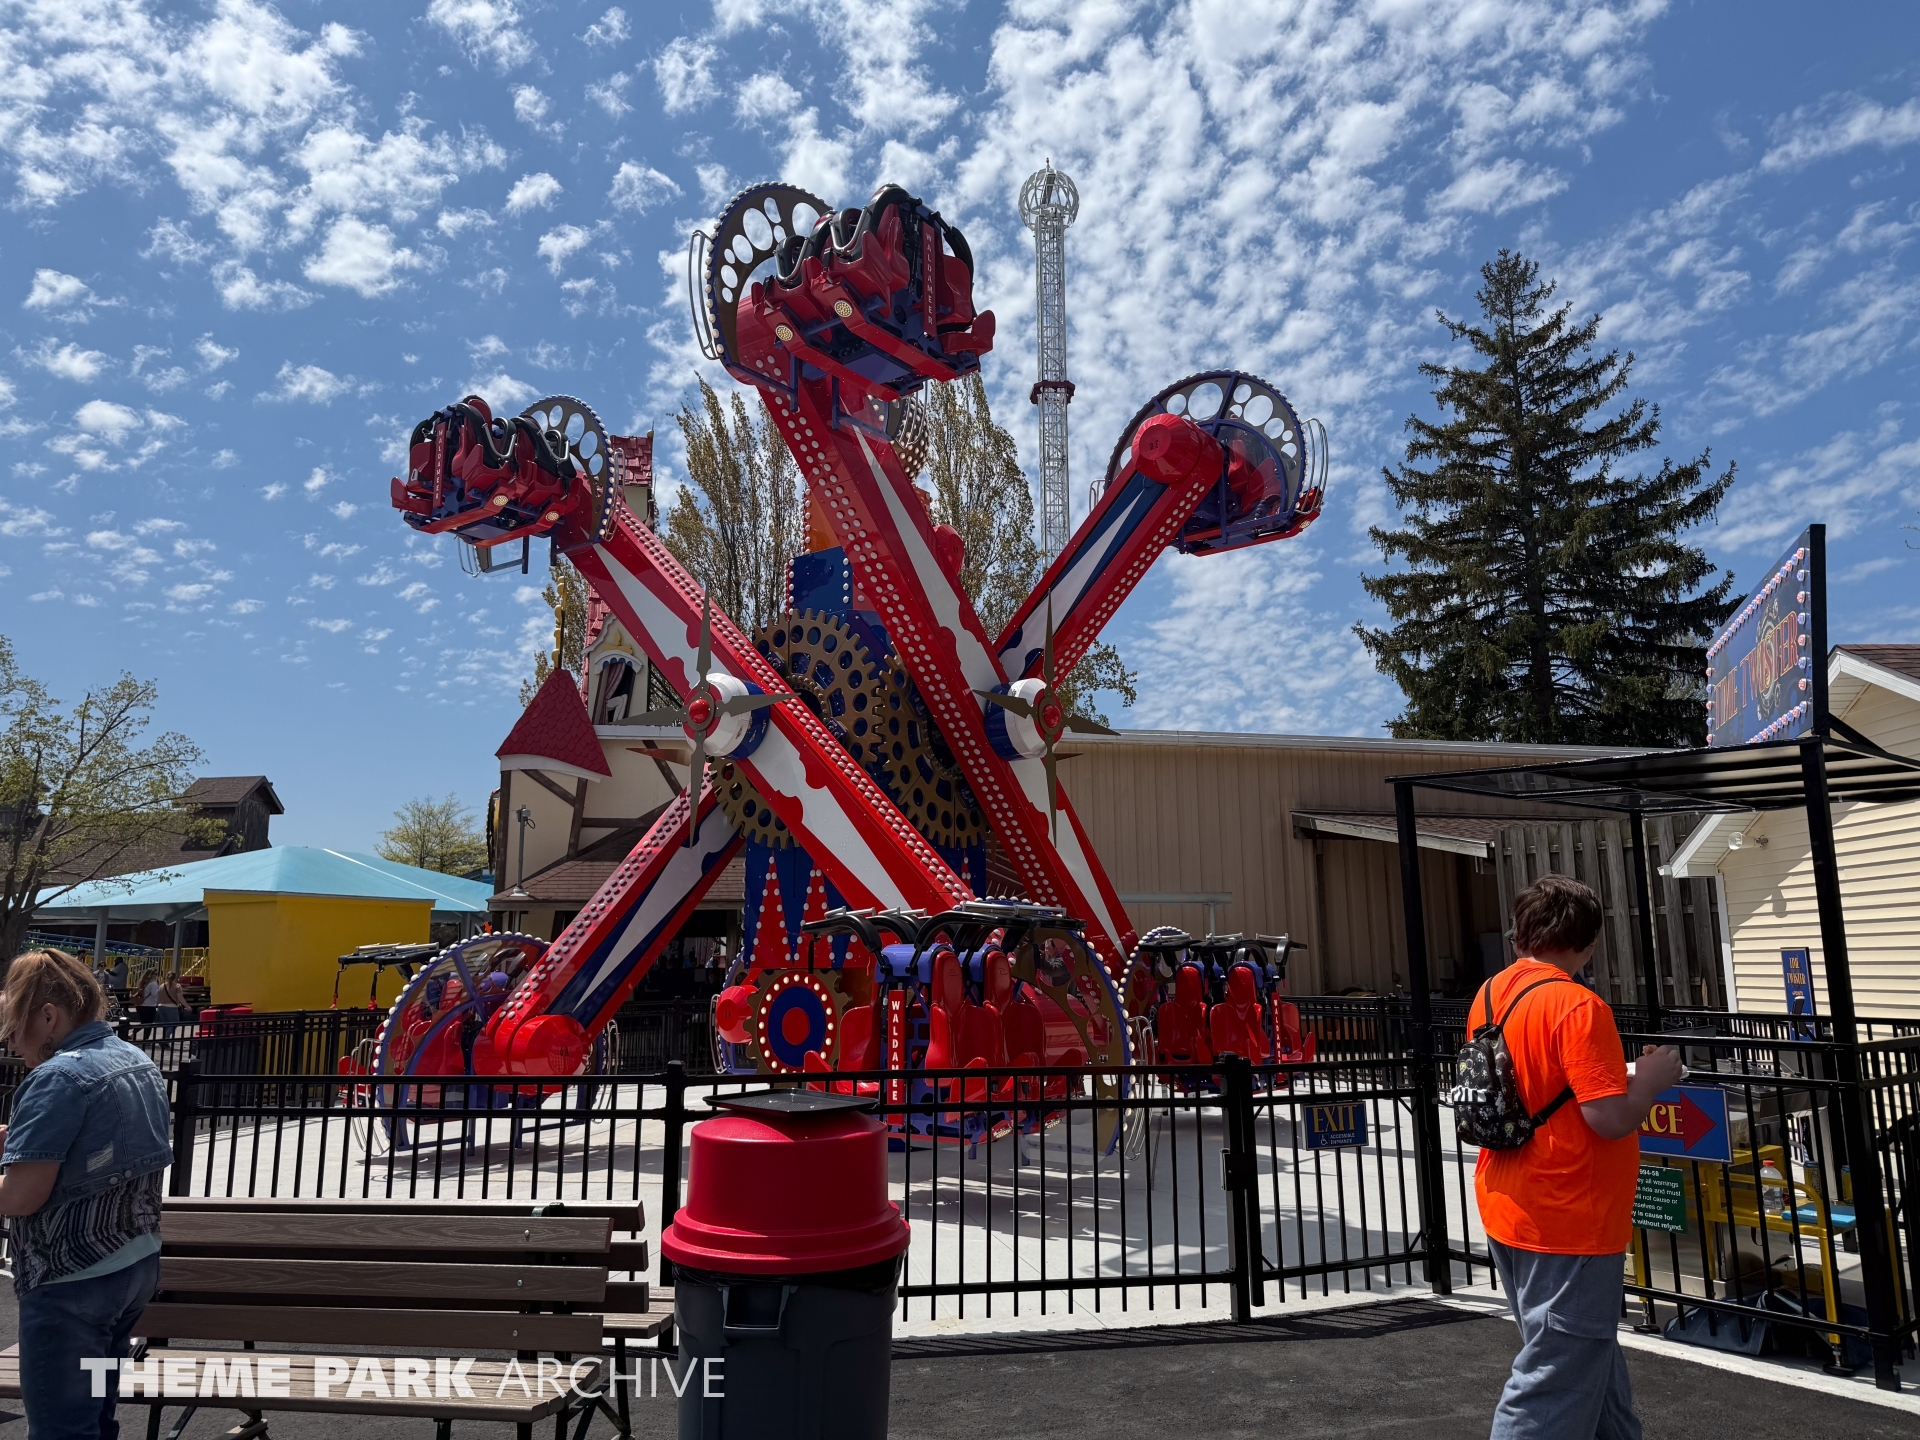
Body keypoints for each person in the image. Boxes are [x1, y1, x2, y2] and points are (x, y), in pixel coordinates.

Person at [1474, 874, 1683, 1440]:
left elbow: (1540, 1083)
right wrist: (1652, 1079)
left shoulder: (1492, 994)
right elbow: (1608, 1118)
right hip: (1570, 1216)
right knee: (1554, 1380)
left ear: (1520, 934)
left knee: (1586, 1361)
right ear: (1589, 944)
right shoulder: (1577, 1006)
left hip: (1509, 1200)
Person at [0, 949, 173, 1439]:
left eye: (14, 1027)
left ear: (47, 1016)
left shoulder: (58, 1077)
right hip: (133, 1268)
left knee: (63, 1428)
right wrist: (20, 1140)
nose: (12, 1042)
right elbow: (96, 1148)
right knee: (97, 1415)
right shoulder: (135, 1060)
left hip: (72, 1279)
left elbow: (20, 1197)